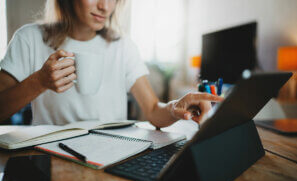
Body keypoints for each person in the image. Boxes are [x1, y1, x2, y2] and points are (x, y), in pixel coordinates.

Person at [0, 0, 222, 127]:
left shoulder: (122, 46)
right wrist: (39, 81)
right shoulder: (29, 38)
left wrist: (175, 108)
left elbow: (153, 110)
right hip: (51, 158)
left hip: (109, 157)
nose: (105, 6)